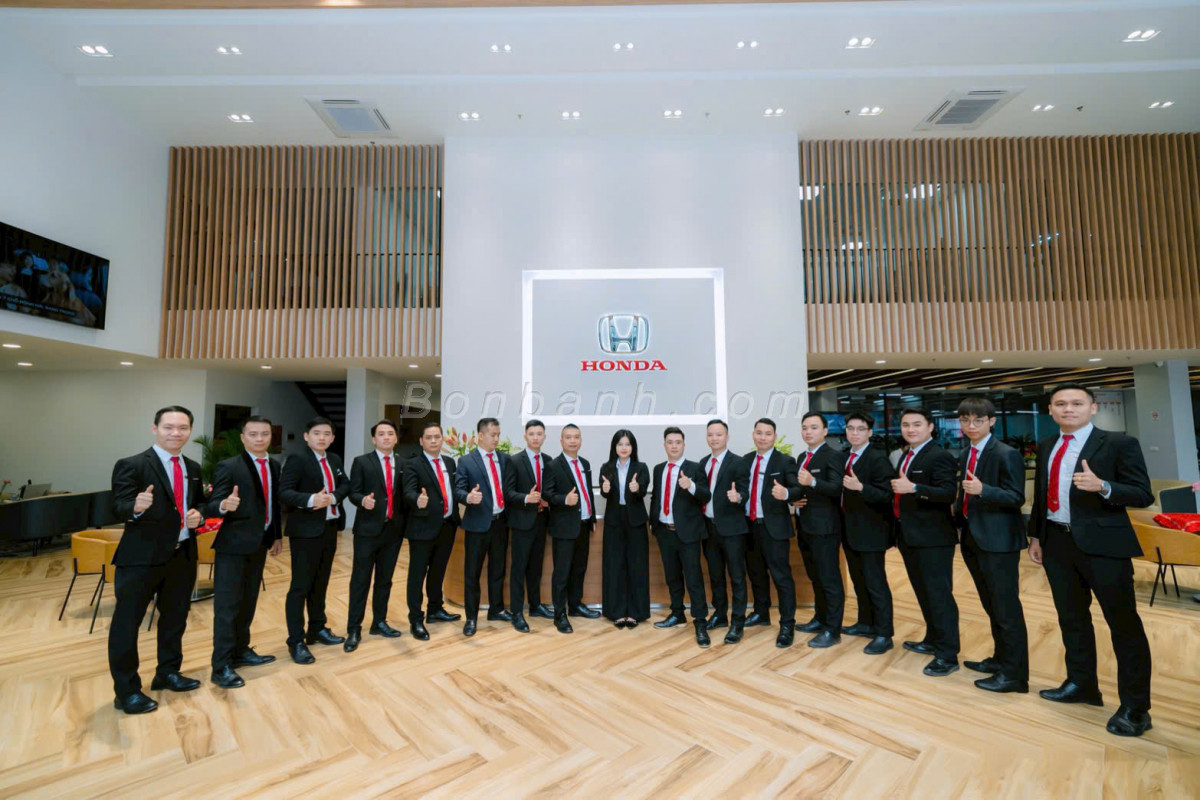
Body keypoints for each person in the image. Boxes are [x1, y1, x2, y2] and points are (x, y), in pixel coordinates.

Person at [1028, 383, 1154, 737]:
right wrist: (1036, 536)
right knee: (1072, 619)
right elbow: (1041, 495)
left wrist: (1104, 487)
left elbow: (1143, 494)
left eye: (1077, 403)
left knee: (1123, 625)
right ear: (1050, 410)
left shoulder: (1118, 443)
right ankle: (1081, 684)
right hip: (1057, 543)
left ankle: (1136, 707)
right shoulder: (1047, 445)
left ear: (1093, 408)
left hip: (1104, 547)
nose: (1068, 409)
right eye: (1060, 404)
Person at [108, 405, 207, 714]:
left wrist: (199, 515)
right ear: (155, 429)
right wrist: (135, 506)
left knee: (175, 619)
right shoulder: (132, 465)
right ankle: (126, 691)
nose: (176, 433)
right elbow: (117, 507)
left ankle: (167, 673)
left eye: (183, 428)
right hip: (141, 558)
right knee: (127, 626)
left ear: (190, 431)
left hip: (182, 556)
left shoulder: (193, 467)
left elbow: (200, 504)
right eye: (168, 427)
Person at [953, 397, 1029, 694]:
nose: (971, 426)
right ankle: (1001, 659)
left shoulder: (1006, 454)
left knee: (1006, 609)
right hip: (973, 538)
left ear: (992, 421)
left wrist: (984, 490)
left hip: (999, 542)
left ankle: (1015, 676)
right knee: (991, 605)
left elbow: (1017, 497)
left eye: (978, 420)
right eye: (965, 420)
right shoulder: (966, 453)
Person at [205, 415, 283, 689]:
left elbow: (273, 505)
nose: (259, 439)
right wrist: (223, 505)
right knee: (227, 607)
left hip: (260, 543)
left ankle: (240, 651)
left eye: (265, 434)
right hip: (233, 545)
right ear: (243, 438)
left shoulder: (274, 465)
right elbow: (212, 503)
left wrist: (276, 535)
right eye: (253, 434)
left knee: (248, 601)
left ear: (270, 437)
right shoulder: (229, 466)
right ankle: (221, 665)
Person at [891, 407, 960, 677]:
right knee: (923, 592)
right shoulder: (907, 455)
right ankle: (933, 639)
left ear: (930, 427)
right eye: (906, 424)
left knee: (939, 596)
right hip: (910, 536)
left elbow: (948, 493)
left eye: (917, 424)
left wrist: (915, 488)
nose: (910, 429)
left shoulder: (939, 455)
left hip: (933, 539)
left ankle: (948, 655)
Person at [279, 417, 349, 664]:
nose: (322, 437)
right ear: (306, 436)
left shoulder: (334, 459)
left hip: (329, 529)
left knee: (321, 583)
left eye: (326, 434)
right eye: (317, 433)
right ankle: (295, 640)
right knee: (300, 587)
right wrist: (311, 499)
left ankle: (317, 628)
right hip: (305, 531)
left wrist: (333, 497)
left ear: (332, 438)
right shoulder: (297, 459)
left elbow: (345, 484)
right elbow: (284, 492)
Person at [345, 419, 407, 652]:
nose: (386, 437)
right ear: (374, 439)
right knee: (360, 581)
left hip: (393, 531)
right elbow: (353, 492)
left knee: (385, 580)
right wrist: (362, 500)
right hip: (367, 531)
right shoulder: (362, 462)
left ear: (396, 438)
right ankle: (354, 629)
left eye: (390, 433)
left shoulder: (404, 463)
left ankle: (379, 622)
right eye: (381, 434)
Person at [839, 412, 897, 656]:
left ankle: (884, 633)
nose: (855, 433)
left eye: (860, 429)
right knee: (859, 580)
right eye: (851, 428)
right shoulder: (844, 456)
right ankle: (865, 622)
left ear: (870, 433)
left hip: (871, 531)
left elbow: (887, 495)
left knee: (875, 583)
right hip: (849, 529)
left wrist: (861, 487)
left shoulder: (878, 459)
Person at [743, 418, 803, 648]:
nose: (763, 437)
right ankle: (761, 612)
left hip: (774, 529)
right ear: (753, 434)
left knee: (782, 577)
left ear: (774, 437)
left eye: (768, 433)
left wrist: (786, 493)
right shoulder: (746, 460)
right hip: (750, 527)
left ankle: (787, 624)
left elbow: (797, 488)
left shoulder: (785, 461)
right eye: (759, 433)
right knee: (756, 574)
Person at [650, 427, 713, 646]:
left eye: (678, 442)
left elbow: (706, 495)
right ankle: (677, 613)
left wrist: (691, 486)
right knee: (672, 577)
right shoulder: (659, 469)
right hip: (664, 532)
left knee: (694, 579)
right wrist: (654, 525)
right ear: (664, 445)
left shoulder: (695, 468)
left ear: (684, 445)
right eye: (670, 442)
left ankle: (700, 622)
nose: (674, 446)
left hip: (688, 534)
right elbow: (656, 497)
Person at [400, 422, 462, 639]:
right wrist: (417, 499)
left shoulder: (449, 462)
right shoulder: (412, 464)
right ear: (421, 441)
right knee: (417, 575)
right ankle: (416, 619)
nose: (434, 441)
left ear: (442, 439)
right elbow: (408, 491)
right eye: (429, 437)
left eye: (437, 437)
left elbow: (453, 491)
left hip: (447, 525)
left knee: (438, 571)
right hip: (422, 528)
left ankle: (435, 609)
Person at [453, 417, 513, 636]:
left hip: (500, 524)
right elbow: (458, 490)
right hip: (477, 526)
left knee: (498, 570)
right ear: (480, 435)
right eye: (492, 435)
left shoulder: (505, 459)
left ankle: (496, 610)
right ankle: (471, 618)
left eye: (498, 435)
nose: (496, 439)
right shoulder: (466, 461)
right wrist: (468, 497)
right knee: (472, 573)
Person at [794, 411, 848, 648]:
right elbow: (801, 489)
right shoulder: (802, 457)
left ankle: (832, 630)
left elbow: (837, 488)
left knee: (829, 579)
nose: (808, 432)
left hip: (825, 528)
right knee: (815, 576)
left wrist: (813, 482)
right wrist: (793, 499)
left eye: (814, 427)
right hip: (805, 527)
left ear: (825, 431)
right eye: (805, 427)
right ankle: (820, 618)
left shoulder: (833, 456)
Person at [698, 419, 750, 644]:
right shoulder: (703, 463)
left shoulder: (738, 462)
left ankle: (737, 622)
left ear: (727, 437)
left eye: (719, 434)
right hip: (709, 529)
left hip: (732, 530)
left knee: (737, 577)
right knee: (715, 575)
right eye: (710, 434)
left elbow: (745, 491)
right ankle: (720, 615)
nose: (714, 438)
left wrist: (738, 497)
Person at [546, 424, 601, 633]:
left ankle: (576, 606)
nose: (573, 441)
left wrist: (592, 516)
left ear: (580, 440)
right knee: (562, 573)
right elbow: (547, 494)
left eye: (576, 437)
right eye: (568, 437)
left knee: (579, 569)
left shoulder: (585, 463)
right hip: (564, 527)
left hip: (583, 525)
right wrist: (564, 499)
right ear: (561, 441)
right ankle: (560, 615)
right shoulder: (553, 466)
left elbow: (587, 491)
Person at [505, 419, 557, 630]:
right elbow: (508, 492)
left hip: (542, 520)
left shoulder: (549, 460)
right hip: (522, 522)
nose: (536, 437)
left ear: (544, 437)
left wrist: (549, 499)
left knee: (536, 567)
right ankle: (517, 612)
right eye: (532, 434)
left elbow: (551, 490)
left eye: (539, 434)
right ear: (525, 436)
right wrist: (527, 498)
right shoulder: (514, 461)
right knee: (519, 568)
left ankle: (535, 606)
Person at [598, 429, 651, 629]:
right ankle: (617, 612)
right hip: (614, 521)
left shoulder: (641, 467)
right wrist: (605, 490)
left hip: (635, 521)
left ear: (633, 447)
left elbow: (643, 490)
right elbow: (605, 493)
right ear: (614, 447)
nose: (624, 448)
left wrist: (637, 489)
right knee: (615, 566)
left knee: (637, 566)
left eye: (627, 444)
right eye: (620, 444)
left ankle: (636, 612)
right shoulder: (606, 467)